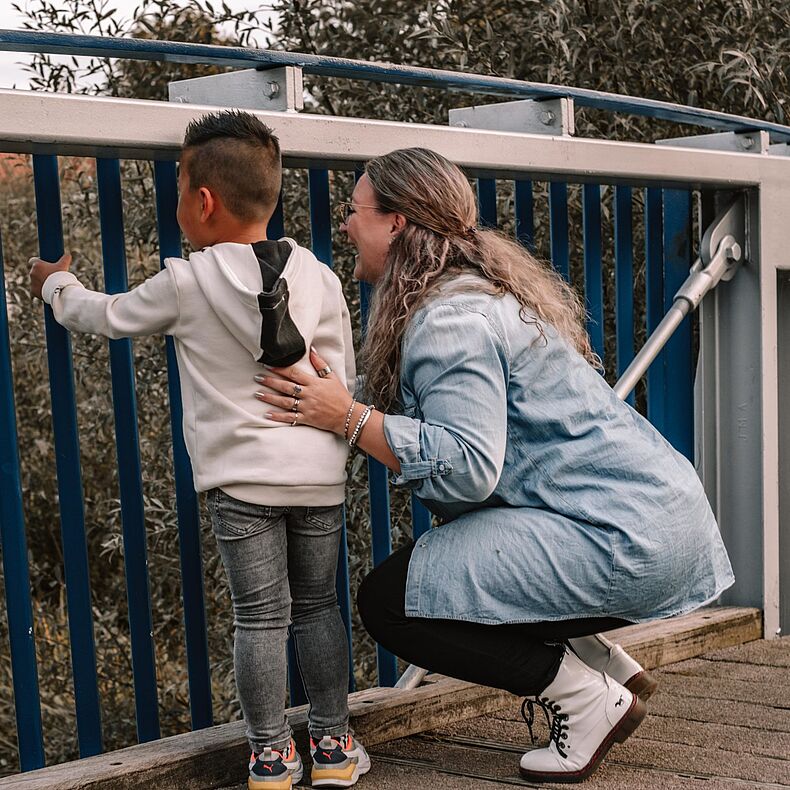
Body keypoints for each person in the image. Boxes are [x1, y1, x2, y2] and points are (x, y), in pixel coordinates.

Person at [254, 147, 735, 784]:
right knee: (458, 562)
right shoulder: (477, 293)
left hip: (623, 538)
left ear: (396, 223)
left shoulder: (449, 319)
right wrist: (351, 408)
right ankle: (604, 665)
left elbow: (468, 468)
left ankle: (583, 698)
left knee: (391, 603)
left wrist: (347, 418)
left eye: (354, 211)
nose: (344, 226)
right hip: (655, 523)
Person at [29, 110, 370, 790]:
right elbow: (344, 379)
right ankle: (332, 746)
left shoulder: (187, 282)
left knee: (260, 619)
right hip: (318, 478)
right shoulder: (322, 277)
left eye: (180, 189)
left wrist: (54, 282)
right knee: (318, 609)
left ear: (203, 202)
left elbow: (105, 315)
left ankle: (271, 757)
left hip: (241, 483)